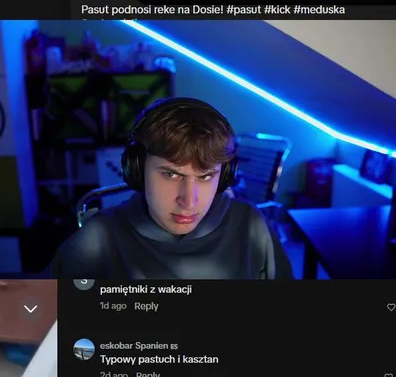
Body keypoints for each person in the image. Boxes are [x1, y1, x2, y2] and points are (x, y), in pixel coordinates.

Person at [52, 98, 292, 280]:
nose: (189, 201)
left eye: (205, 176)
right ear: (138, 169)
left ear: (224, 175)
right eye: (170, 174)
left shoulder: (250, 226)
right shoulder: (99, 237)